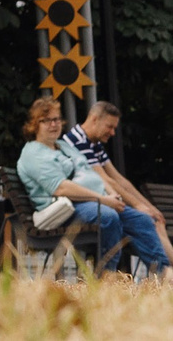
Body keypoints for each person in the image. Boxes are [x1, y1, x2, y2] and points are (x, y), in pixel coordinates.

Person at [21, 96, 134, 274]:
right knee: (109, 216)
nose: (54, 124)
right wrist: (103, 199)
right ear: (35, 124)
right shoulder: (33, 153)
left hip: (89, 202)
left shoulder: (62, 145)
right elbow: (61, 188)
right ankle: (107, 276)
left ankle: (162, 270)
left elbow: (92, 174)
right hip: (64, 209)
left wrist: (112, 195)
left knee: (139, 219)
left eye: (57, 119)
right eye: (46, 120)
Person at [65, 101, 171, 275]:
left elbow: (119, 178)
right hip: (88, 203)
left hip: (106, 201)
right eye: (110, 126)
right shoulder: (76, 141)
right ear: (94, 119)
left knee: (149, 219)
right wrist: (138, 206)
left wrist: (148, 206)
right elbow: (106, 180)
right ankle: (163, 273)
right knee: (143, 219)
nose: (113, 132)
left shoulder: (93, 143)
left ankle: (164, 272)